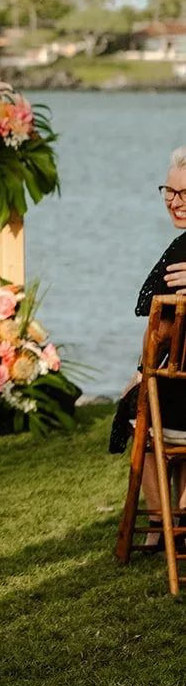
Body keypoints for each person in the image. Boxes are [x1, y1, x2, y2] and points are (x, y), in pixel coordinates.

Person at [110, 145, 186, 540]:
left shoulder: (181, 256)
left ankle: (163, 522)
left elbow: (160, 332)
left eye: (185, 194)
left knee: (139, 404)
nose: (175, 203)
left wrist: (141, 373)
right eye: (169, 192)